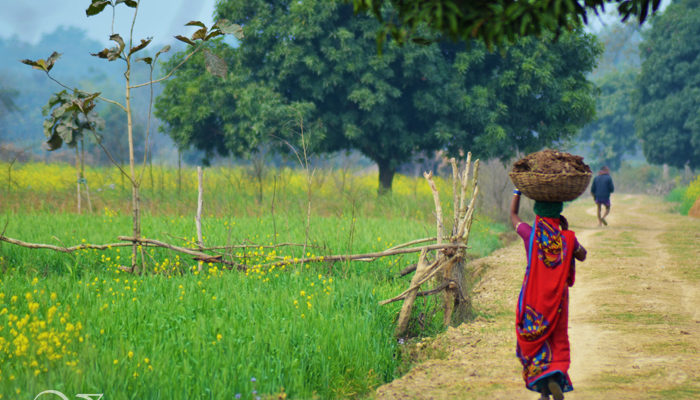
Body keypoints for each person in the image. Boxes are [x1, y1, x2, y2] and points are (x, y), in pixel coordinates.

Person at [510, 189, 587, 400]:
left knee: (537, 340)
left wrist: (517, 192)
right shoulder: (567, 238)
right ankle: (554, 377)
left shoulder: (530, 234)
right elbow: (583, 255)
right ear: (558, 213)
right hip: (558, 301)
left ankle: (544, 389)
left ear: (537, 213)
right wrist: (567, 232)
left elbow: (513, 216)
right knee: (557, 339)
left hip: (532, 300)